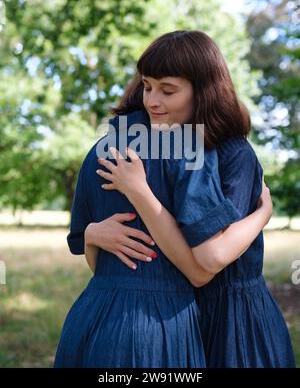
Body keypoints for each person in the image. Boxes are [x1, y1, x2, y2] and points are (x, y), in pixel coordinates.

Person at [54, 30, 277, 368]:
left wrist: (92, 235)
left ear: (203, 92)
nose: (152, 101)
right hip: (161, 324)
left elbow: (209, 260)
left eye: (167, 90)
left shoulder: (232, 155)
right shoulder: (180, 148)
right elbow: (202, 266)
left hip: (230, 321)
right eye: (146, 86)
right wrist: (264, 212)